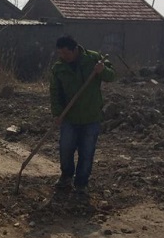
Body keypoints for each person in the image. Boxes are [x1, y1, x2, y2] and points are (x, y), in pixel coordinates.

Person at [49, 35, 115, 199]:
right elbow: (55, 92)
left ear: (75, 49)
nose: (63, 56)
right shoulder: (59, 68)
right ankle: (66, 177)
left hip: (91, 117)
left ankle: (81, 184)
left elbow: (111, 76)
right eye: (60, 53)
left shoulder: (93, 58)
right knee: (65, 149)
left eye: (66, 53)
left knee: (86, 153)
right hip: (69, 117)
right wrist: (57, 113)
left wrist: (102, 70)